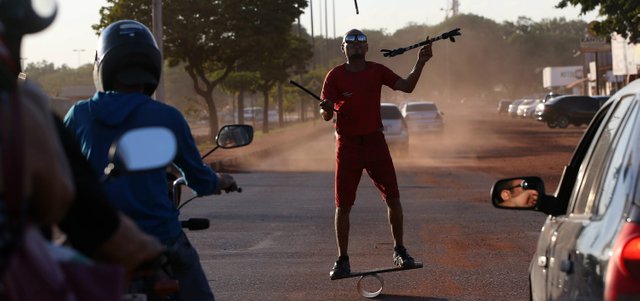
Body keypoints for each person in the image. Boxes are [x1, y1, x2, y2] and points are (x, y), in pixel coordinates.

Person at [64, 19, 237, 301]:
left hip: (97, 241)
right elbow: (199, 180)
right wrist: (221, 180)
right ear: (151, 67)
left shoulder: (79, 115)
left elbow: (62, 174)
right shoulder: (166, 117)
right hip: (160, 240)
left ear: (104, 65)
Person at [319, 28, 433, 278]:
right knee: (343, 204)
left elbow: (407, 87)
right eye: (350, 42)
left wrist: (420, 62)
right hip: (347, 145)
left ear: (367, 48)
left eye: (361, 42)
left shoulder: (377, 71)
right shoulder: (335, 76)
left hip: (375, 142)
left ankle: (400, 251)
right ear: (344, 48)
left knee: (393, 197)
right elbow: (327, 114)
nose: (356, 45)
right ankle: (342, 260)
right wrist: (326, 108)